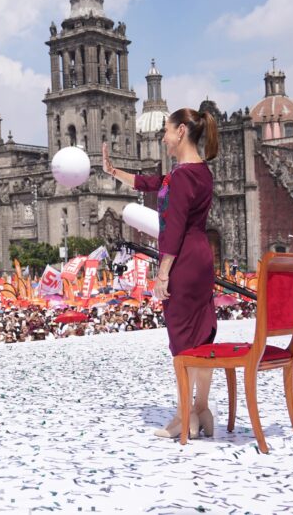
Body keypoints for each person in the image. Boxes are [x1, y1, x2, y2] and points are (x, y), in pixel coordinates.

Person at [103, 107, 219, 437]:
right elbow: (152, 183)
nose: (164, 138)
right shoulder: (196, 172)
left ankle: (185, 418)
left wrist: (164, 272)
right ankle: (201, 410)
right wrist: (114, 172)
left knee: (182, 341)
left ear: (181, 131)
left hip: (183, 259)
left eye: (166, 132)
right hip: (201, 258)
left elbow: (174, 228)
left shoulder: (182, 176)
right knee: (201, 337)